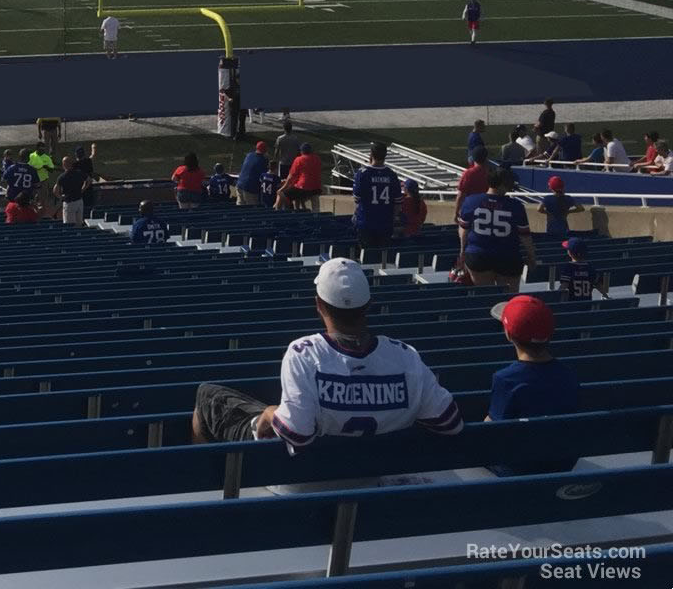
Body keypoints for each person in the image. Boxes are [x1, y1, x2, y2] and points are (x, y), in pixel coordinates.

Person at [191, 258, 462, 447]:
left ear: (318, 304)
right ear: (367, 306)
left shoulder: (303, 354)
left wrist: (271, 414)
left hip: (306, 481)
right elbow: (450, 423)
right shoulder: (406, 357)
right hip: (387, 479)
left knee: (207, 394)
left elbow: (297, 435)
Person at [485, 294, 579, 476]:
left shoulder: (506, 379)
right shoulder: (568, 374)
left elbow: (492, 430)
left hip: (517, 467)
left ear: (508, 334)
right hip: (563, 462)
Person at [458, 169, 536, 291]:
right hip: (507, 256)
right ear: (502, 183)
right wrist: (532, 256)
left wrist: (462, 251)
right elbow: (525, 237)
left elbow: (464, 231)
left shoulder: (471, 201)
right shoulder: (516, 206)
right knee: (507, 300)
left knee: (485, 296)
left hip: (478, 255)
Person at [350, 142, 398, 250]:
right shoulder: (391, 174)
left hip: (366, 222)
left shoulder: (362, 173)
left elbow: (357, 198)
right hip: (385, 223)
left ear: (371, 154)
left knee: (368, 256)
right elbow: (397, 202)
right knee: (383, 256)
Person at [277, 142, 323, 210]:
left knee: (282, 195)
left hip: (303, 187)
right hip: (317, 188)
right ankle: (315, 215)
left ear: (301, 151)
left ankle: (279, 212)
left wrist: (282, 188)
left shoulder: (299, 159)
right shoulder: (317, 159)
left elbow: (290, 176)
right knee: (314, 204)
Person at [455, 146, 492, 221]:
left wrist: (456, 213)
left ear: (473, 158)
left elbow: (460, 195)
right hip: (488, 209)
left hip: (471, 209)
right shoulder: (491, 173)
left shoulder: (468, 173)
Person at [54, 155, 90, 225]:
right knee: (79, 223)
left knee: (69, 225)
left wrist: (60, 197)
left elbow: (55, 190)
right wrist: (83, 189)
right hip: (79, 200)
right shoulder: (79, 173)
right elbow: (89, 180)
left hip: (69, 202)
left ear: (64, 164)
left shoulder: (62, 177)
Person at [235, 140, 269, 206]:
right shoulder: (263, 160)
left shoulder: (249, 155)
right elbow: (265, 176)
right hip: (250, 189)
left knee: (240, 208)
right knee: (252, 209)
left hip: (239, 185)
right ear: (265, 150)